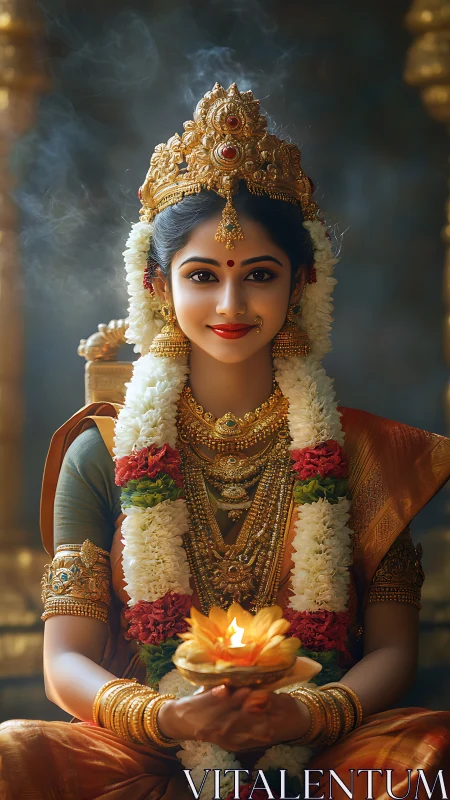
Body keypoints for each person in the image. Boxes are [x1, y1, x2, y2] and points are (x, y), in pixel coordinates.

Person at [0, 81, 449, 800]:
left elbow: (395, 650)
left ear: (300, 282)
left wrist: (306, 714)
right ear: (159, 286)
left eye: (259, 276)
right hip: (146, 746)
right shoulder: (105, 450)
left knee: (430, 757)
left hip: (325, 745)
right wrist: (167, 716)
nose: (231, 305)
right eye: (202, 276)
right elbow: (65, 662)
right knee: (13, 756)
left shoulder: (365, 451)